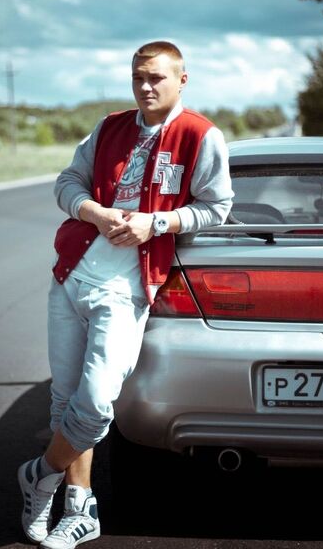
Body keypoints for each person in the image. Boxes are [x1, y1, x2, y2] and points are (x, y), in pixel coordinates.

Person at [17, 40, 234, 548]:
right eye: (138, 77)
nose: (145, 86)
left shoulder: (200, 135)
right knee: (65, 402)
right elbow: (67, 182)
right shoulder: (109, 127)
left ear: (182, 79)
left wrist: (154, 224)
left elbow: (217, 207)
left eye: (156, 77)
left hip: (126, 289)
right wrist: (93, 212)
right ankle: (79, 508)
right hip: (71, 277)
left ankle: (39, 475)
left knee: (95, 403)